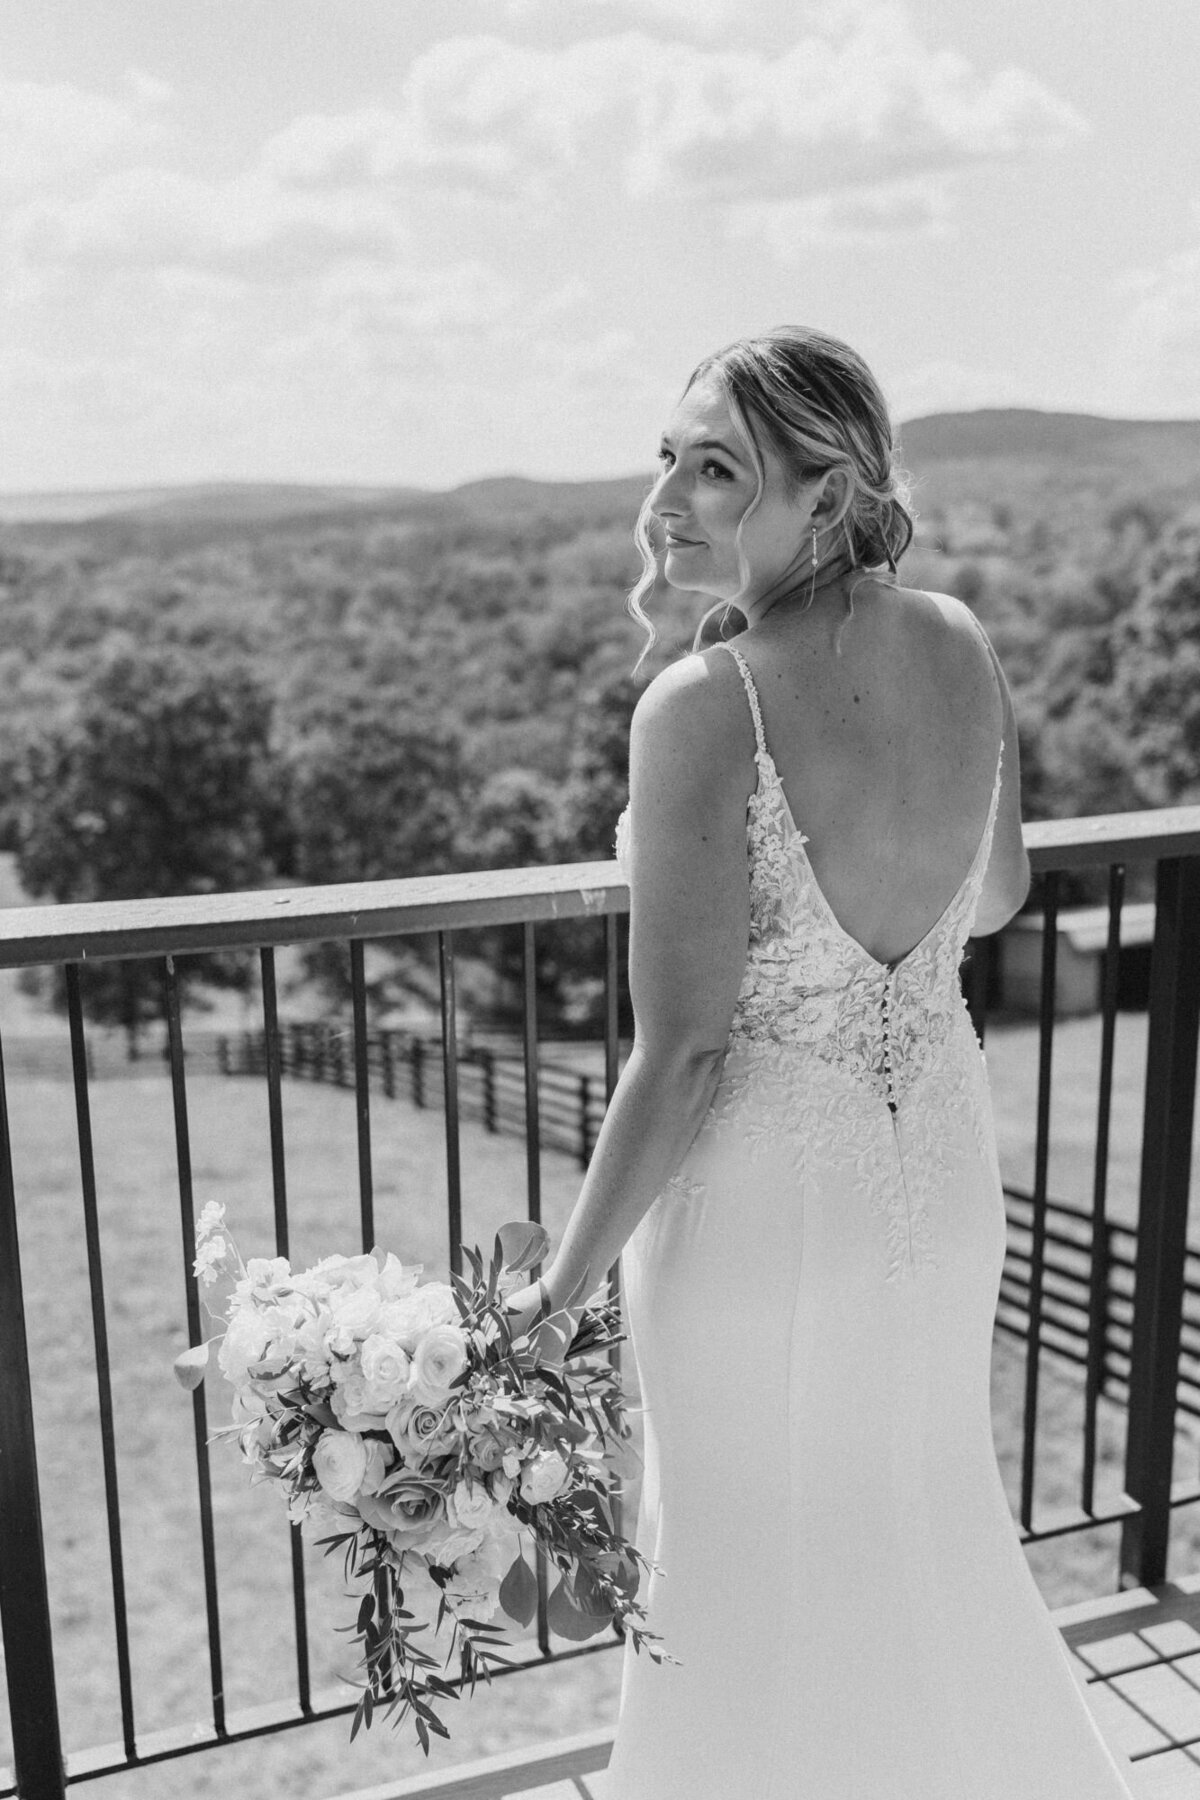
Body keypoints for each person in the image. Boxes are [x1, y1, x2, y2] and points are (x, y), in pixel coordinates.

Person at [505, 326, 1137, 1798]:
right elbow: (993, 901)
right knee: (920, 1536)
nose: (666, 497)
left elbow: (685, 1054)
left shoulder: (702, 708)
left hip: (765, 1216)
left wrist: (553, 1297)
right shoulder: (962, 641)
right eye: (667, 457)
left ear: (828, 491)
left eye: (716, 467)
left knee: (741, 1581)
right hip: (933, 1187)